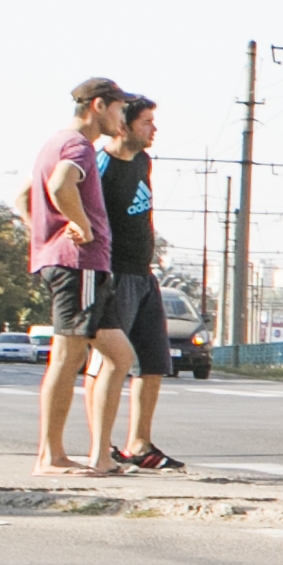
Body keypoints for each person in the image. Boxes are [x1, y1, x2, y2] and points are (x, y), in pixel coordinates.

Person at [22, 78, 131, 474]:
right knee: (67, 358)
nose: (123, 115)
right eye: (120, 108)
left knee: (120, 357)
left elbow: (25, 197)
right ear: (99, 106)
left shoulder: (54, 142)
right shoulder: (78, 146)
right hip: (78, 264)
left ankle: (100, 457)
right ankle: (49, 457)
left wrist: (43, 234)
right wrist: (79, 225)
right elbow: (59, 185)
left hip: (80, 264)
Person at [94, 95, 182, 469]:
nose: (154, 129)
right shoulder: (101, 166)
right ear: (124, 125)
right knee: (109, 363)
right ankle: (100, 447)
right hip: (113, 274)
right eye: (146, 122)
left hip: (144, 274)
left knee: (153, 361)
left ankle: (140, 444)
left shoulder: (143, 161)